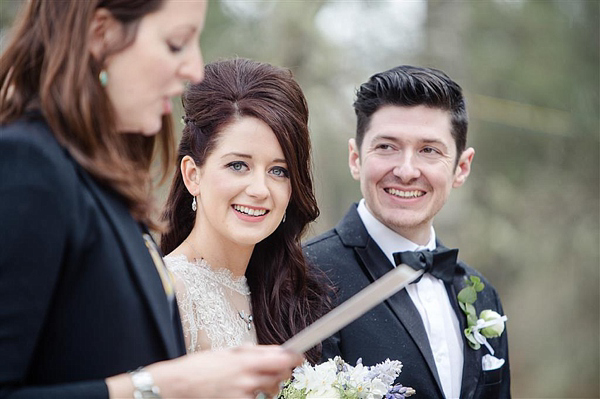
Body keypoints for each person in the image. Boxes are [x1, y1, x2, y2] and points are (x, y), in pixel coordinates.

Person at [0, 2, 302, 399]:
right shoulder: (28, 163)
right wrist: (160, 387)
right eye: (176, 44)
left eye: (278, 171)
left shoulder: (107, 186)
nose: (195, 70)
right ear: (101, 34)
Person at [304, 65, 510, 398]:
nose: (406, 170)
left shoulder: (483, 295)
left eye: (429, 150)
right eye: (386, 147)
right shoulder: (306, 276)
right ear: (355, 158)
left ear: (461, 168)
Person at [160, 58, 331, 364]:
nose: (260, 189)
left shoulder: (288, 294)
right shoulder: (170, 293)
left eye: (279, 171)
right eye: (238, 165)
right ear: (192, 175)